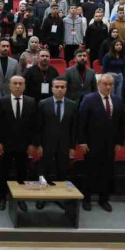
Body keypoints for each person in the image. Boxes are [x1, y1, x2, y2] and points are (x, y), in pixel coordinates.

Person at [78, 73, 124, 212]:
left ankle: (103, 199)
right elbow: (82, 122)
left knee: (107, 172)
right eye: (105, 84)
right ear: (99, 84)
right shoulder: (88, 99)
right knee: (89, 172)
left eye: (111, 84)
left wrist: (119, 142)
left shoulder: (117, 101)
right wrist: (82, 141)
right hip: (92, 144)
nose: (108, 86)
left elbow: (121, 124)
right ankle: (86, 199)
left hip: (110, 144)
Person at [0, 75, 37, 212]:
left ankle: (21, 198)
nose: (17, 86)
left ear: (24, 86)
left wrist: (32, 143)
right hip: (6, 144)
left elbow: (33, 126)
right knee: (3, 173)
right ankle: (2, 198)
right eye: (15, 83)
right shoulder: (2, 101)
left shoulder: (31, 102)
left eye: (20, 83)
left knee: (22, 173)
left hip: (24, 145)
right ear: (10, 86)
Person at [34, 78, 77, 210]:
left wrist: (72, 147)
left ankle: (61, 198)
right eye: (57, 86)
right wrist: (38, 144)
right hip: (46, 144)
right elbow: (37, 126)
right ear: (51, 88)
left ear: (66, 89)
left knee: (62, 173)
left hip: (64, 145)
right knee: (43, 172)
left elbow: (74, 128)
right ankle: (42, 198)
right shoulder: (43, 103)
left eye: (62, 87)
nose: (59, 89)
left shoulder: (72, 104)